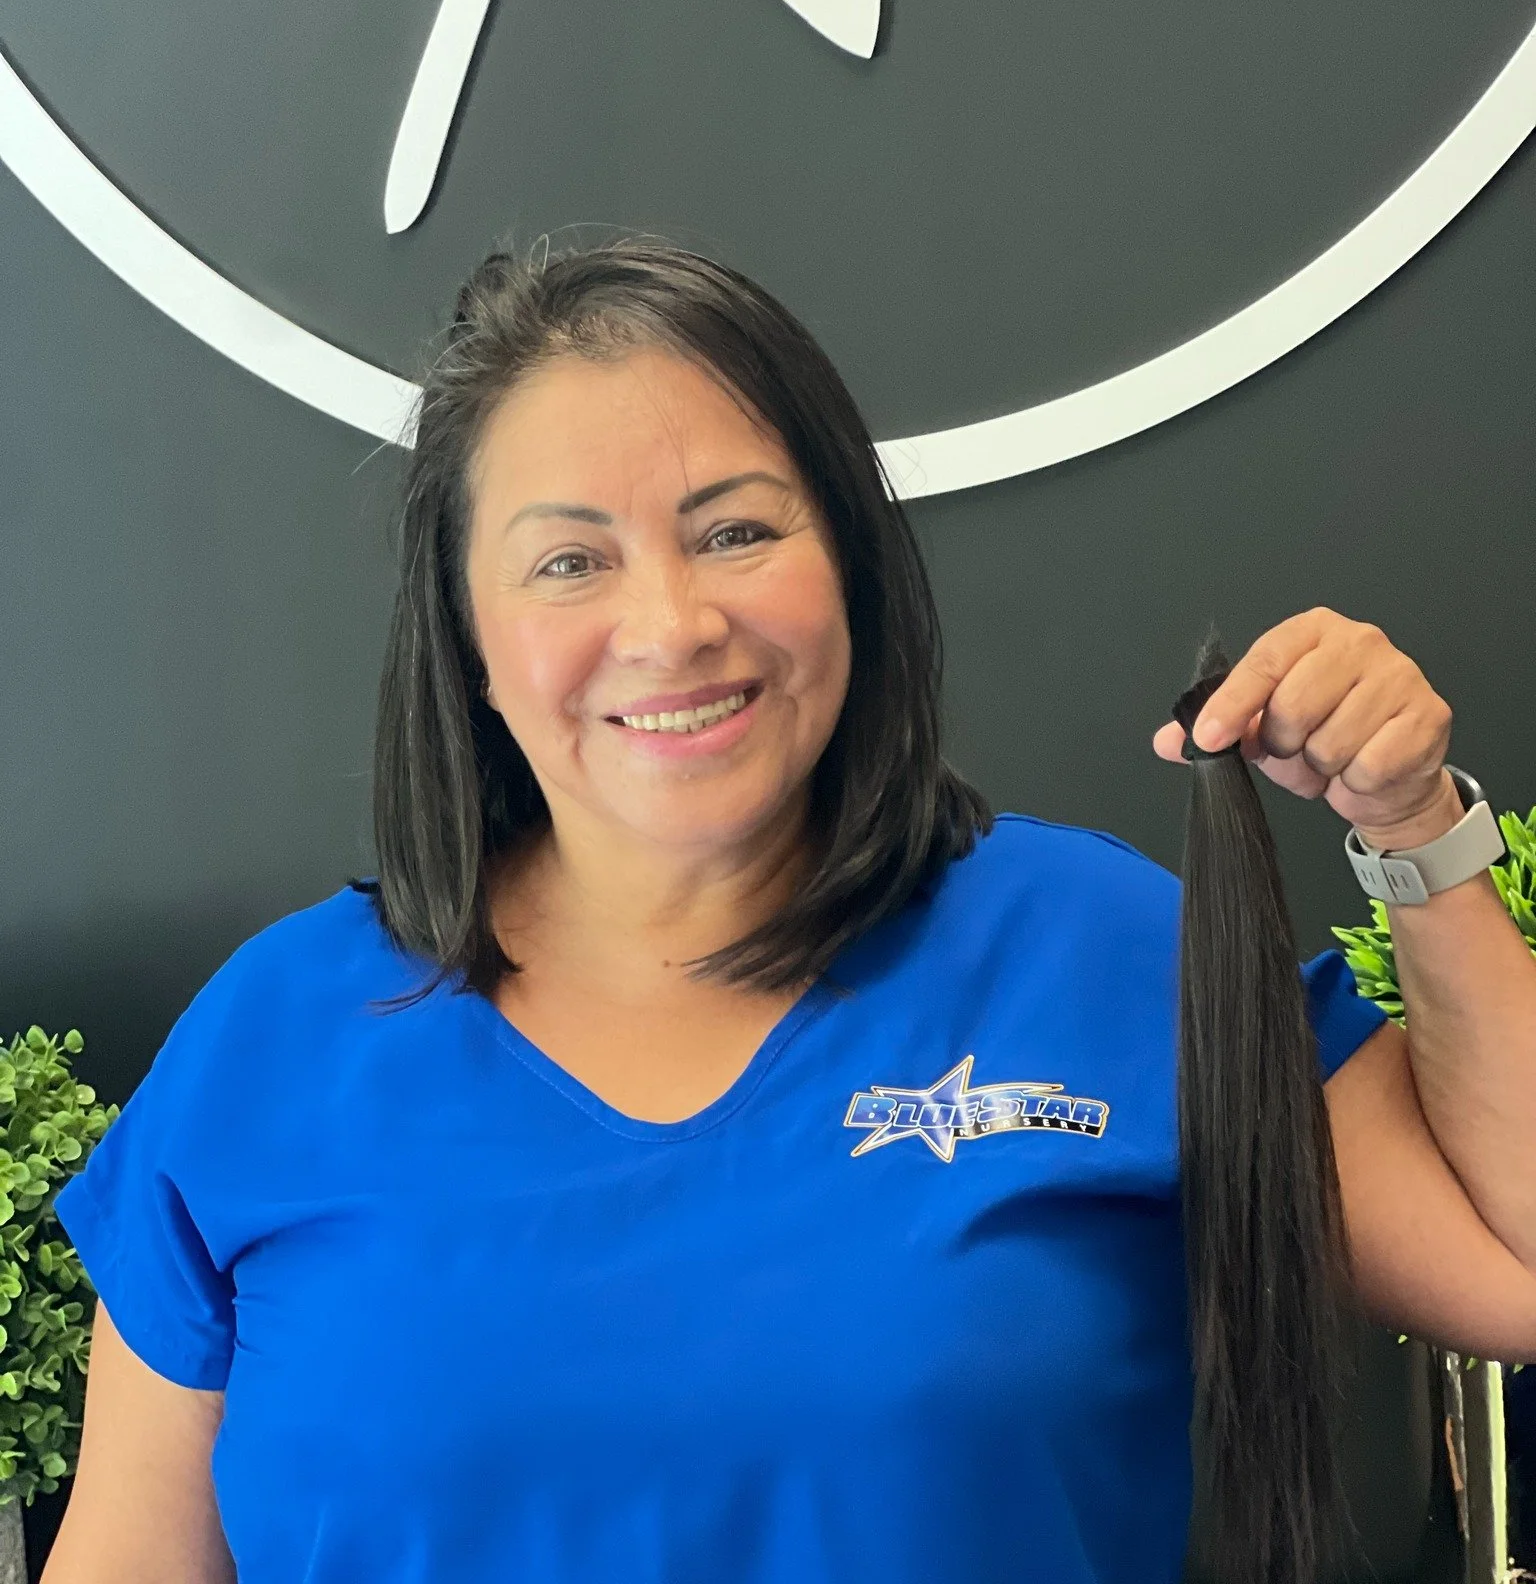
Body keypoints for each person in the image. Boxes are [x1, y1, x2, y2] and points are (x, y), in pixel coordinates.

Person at [41, 241, 1536, 1584]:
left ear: (854, 570)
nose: (674, 625)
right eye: (570, 561)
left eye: (739, 531)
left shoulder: (1098, 948)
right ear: (470, 645)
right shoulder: (272, 1039)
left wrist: (1416, 829)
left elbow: (1519, 1268)